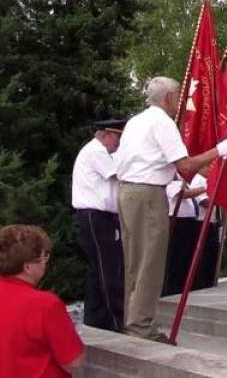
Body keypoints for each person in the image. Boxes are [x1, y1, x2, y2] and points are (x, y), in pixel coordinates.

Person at [113, 76, 227, 341]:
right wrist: (219, 150)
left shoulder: (136, 121)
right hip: (147, 194)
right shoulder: (162, 122)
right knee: (150, 262)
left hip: (127, 191)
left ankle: (132, 320)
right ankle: (141, 327)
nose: (180, 99)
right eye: (178, 94)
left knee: (134, 261)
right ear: (169, 97)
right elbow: (185, 166)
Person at [0, 225, 84, 378]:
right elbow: (73, 362)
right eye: (44, 257)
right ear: (27, 267)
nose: (46, 263)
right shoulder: (45, 304)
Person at [72, 118, 126, 332]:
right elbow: (120, 174)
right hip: (95, 217)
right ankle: (115, 320)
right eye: (118, 138)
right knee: (109, 269)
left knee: (99, 269)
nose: (119, 143)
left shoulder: (100, 152)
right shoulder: (96, 152)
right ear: (105, 135)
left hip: (99, 217)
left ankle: (95, 318)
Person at [162, 167, 220, 296]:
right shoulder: (171, 177)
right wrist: (207, 188)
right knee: (177, 259)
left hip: (189, 222)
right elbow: (182, 194)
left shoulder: (185, 180)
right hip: (177, 222)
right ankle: (173, 290)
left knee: (186, 259)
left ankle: (183, 289)